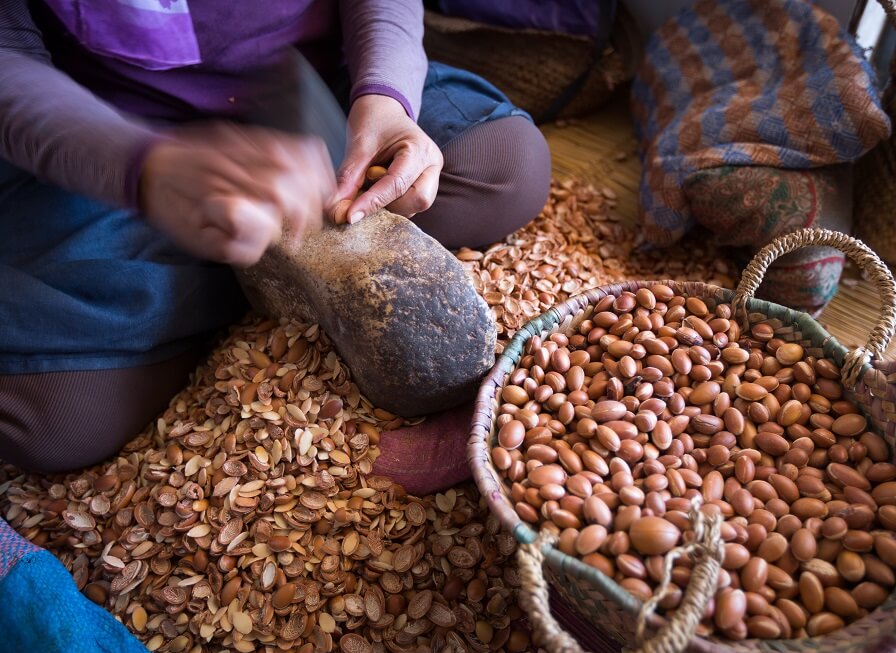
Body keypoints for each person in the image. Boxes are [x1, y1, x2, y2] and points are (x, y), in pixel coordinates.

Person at [0, 0, 552, 473]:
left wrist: (387, 96)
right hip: (114, 134)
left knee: (506, 166)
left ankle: (226, 274)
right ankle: (256, 259)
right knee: (50, 421)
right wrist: (140, 169)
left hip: (315, 90)